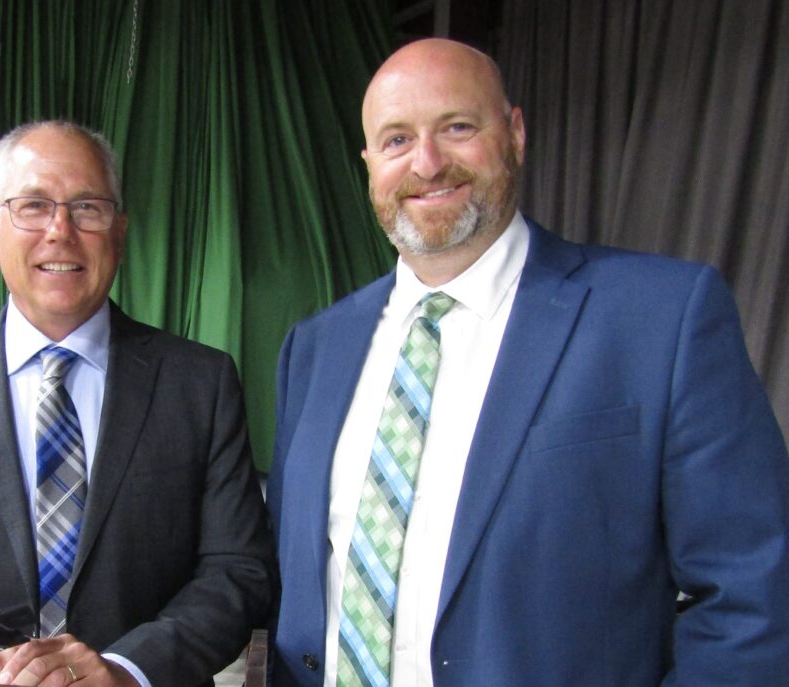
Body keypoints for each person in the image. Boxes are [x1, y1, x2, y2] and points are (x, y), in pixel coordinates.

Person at [266, 38, 789, 686]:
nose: (427, 163)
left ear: (514, 133)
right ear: (369, 163)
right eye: (397, 140)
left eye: (457, 127)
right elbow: (291, 589)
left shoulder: (661, 317)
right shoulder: (314, 348)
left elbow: (754, 595)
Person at [0, 120, 273, 687]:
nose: (60, 231)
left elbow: (238, 570)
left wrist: (126, 670)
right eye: (33, 206)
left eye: (87, 207)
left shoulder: (200, 384)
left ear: (119, 232)